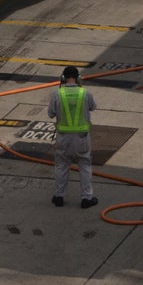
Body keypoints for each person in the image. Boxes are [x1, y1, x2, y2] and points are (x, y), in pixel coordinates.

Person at [47, 66, 97, 209]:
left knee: (62, 166)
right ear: (78, 78)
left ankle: (59, 197)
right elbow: (93, 107)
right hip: (81, 138)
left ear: (62, 78)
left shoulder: (57, 94)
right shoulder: (85, 93)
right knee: (85, 166)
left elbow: (50, 113)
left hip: (63, 138)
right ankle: (87, 198)